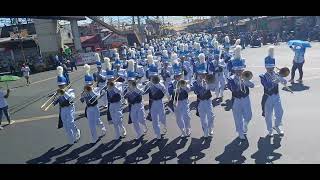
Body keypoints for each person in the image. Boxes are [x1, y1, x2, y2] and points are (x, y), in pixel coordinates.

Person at [226, 46, 254, 140]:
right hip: (236, 100)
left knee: (249, 115)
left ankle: (245, 124)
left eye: (241, 70)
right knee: (237, 117)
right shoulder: (230, 78)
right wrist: (238, 82)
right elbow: (233, 89)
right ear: (234, 70)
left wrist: (246, 81)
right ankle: (240, 132)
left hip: (246, 98)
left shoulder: (245, 76)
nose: (239, 72)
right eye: (237, 70)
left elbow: (252, 85)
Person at [260, 46, 286, 136]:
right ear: (266, 67)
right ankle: (270, 129)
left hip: (276, 96)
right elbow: (267, 86)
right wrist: (276, 80)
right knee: (268, 115)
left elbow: (285, 82)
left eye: (272, 67)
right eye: (268, 68)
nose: (270, 69)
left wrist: (282, 79)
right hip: (267, 97)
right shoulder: (262, 76)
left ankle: (277, 126)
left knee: (280, 112)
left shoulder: (276, 74)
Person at [53, 66, 80, 145]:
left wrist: (64, 92)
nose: (60, 87)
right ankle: (71, 140)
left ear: (65, 84)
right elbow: (54, 101)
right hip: (62, 110)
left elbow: (71, 98)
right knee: (66, 125)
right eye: (59, 86)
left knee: (71, 123)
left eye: (62, 85)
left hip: (70, 108)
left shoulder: (70, 91)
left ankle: (76, 131)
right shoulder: (58, 92)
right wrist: (56, 98)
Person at [80, 64, 107, 144]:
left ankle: (103, 128)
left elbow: (97, 97)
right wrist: (82, 96)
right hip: (88, 109)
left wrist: (91, 91)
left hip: (95, 108)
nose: (88, 85)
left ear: (92, 83)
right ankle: (94, 138)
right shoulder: (84, 91)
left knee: (97, 121)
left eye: (89, 84)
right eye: (86, 84)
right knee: (91, 124)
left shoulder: (96, 89)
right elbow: (82, 101)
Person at [168, 60, 191, 137]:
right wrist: (176, 90)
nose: (178, 77)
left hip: (184, 101)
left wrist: (185, 86)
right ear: (174, 76)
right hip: (176, 102)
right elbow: (170, 91)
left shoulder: (184, 81)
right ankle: (182, 130)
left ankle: (187, 128)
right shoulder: (171, 83)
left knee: (187, 116)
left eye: (179, 75)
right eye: (177, 76)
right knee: (178, 119)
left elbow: (189, 90)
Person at [192, 60, 215, 138]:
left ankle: (210, 128)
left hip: (208, 101)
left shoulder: (208, 80)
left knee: (211, 116)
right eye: (200, 74)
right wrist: (201, 85)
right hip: (200, 102)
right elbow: (196, 92)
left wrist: (208, 84)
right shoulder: (195, 83)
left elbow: (213, 89)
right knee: (203, 118)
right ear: (198, 74)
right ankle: (205, 131)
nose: (202, 75)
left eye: (203, 74)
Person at [144, 66, 168, 140]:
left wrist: (169, 98)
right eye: (152, 76)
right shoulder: (149, 84)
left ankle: (164, 125)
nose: (153, 77)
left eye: (155, 76)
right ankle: (158, 134)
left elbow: (165, 92)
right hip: (152, 103)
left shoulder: (161, 84)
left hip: (160, 102)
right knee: (154, 120)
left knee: (162, 117)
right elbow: (144, 93)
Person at [124, 71, 148, 140]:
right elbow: (124, 97)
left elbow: (143, 93)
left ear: (134, 80)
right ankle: (139, 133)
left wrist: (135, 88)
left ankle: (144, 125)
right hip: (132, 106)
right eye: (129, 80)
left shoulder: (139, 85)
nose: (130, 82)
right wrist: (127, 91)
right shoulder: (126, 88)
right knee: (134, 121)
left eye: (132, 80)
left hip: (139, 105)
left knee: (141, 119)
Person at [105, 69, 127, 140]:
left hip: (118, 103)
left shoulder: (118, 84)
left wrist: (113, 86)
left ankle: (123, 130)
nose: (109, 80)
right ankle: (117, 135)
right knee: (114, 121)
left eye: (110, 78)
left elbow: (120, 91)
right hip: (111, 104)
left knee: (119, 119)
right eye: (108, 79)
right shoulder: (107, 85)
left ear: (113, 78)